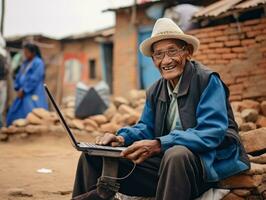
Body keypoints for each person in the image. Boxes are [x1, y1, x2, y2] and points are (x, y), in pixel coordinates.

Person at [72, 18, 250, 200]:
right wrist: (121, 138)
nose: (166, 61)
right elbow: (146, 127)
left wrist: (160, 144)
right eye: (158, 55)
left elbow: (211, 132)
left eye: (172, 51)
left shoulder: (206, 80)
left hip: (207, 163)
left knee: (176, 154)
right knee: (93, 156)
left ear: (187, 52)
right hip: (167, 167)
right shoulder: (156, 90)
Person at [6, 43, 48, 126]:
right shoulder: (25, 63)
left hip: (33, 92)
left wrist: (24, 89)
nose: (25, 54)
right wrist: (17, 87)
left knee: (32, 114)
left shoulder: (38, 63)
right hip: (22, 93)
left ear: (33, 52)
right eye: (24, 52)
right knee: (13, 114)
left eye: (27, 52)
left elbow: (35, 78)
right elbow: (19, 76)